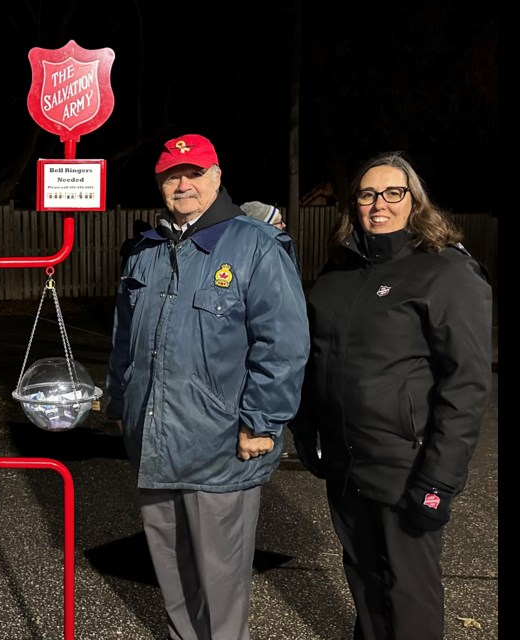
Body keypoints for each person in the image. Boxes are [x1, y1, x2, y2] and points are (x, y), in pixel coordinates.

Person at [106, 134, 310, 640]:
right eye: (172, 175)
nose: (182, 183)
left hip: (221, 446)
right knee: (171, 574)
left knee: (220, 582)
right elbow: (124, 340)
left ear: (216, 176)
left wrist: (262, 423)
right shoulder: (146, 252)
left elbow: (282, 344)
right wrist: (119, 399)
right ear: (159, 184)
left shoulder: (255, 245)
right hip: (154, 442)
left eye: (193, 173)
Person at [289, 152, 492, 640]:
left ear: (414, 201)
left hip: (406, 466)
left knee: (409, 592)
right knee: (364, 580)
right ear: (353, 205)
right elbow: (316, 360)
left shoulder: (445, 272)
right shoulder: (339, 273)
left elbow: (466, 385)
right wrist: (309, 430)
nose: (379, 204)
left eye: (392, 193)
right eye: (367, 194)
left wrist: (439, 482)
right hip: (344, 460)